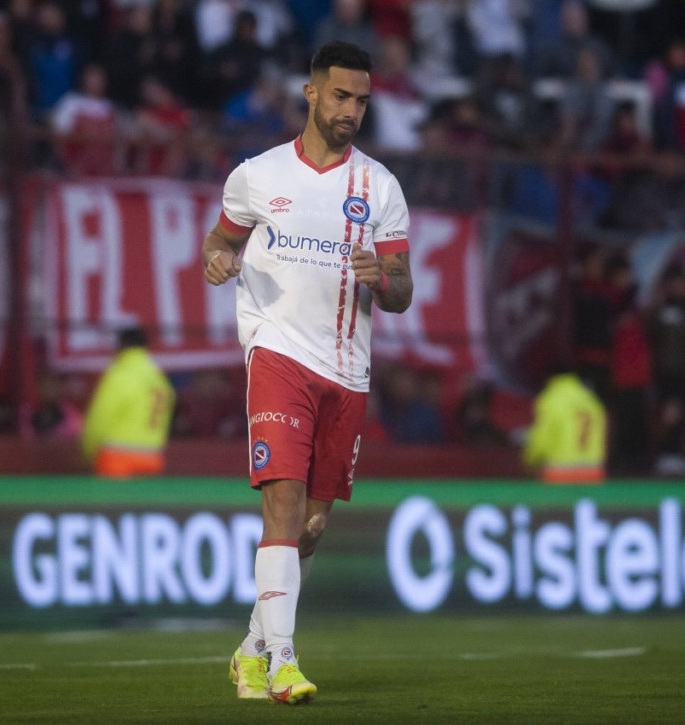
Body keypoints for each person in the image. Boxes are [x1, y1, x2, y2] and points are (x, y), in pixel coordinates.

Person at [201, 40, 413, 704]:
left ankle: (251, 648)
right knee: (283, 501)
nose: (352, 110)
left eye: (362, 101)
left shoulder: (378, 187)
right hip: (277, 354)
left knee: (311, 525)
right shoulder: (257, 176)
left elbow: (403, 290)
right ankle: (284, 662)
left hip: (346, 370)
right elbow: (221, 239)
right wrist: (215, 259)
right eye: (342, 96)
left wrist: (386, 279)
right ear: (312, 92)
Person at [81, 327, 175, 478]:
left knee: (115, 502)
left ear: (121, 346)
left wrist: (88, 449)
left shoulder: (120, 374)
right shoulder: (160, 380)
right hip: (152, 458)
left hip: (116, 458)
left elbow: (100, 416)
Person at [521, 363, 607, 484]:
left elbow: (542, 437)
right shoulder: (592, 401)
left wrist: (530, 459)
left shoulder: (551, 398)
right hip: (593, 472)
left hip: (560, 472)